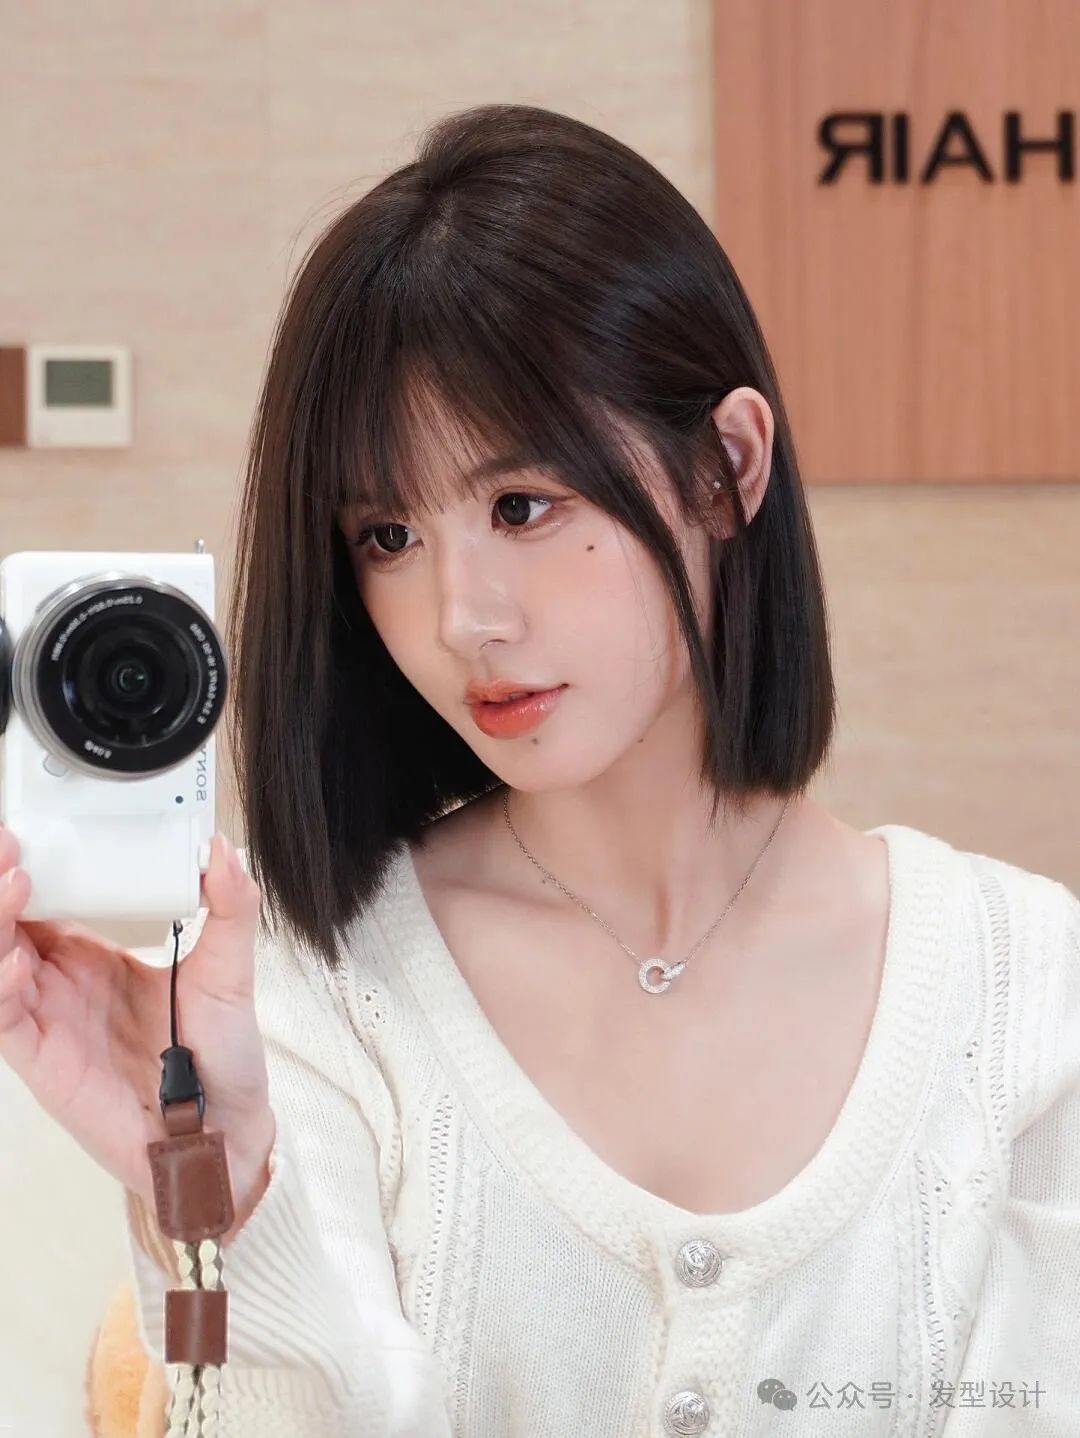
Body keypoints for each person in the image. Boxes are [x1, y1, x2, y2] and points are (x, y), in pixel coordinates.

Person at [1, 101, 1078, 1438]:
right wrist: (218, 1209)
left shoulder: (1024, 990)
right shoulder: (310, 990)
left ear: (727, 467)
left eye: (522, 506)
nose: (462, 618)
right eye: (388, 535)